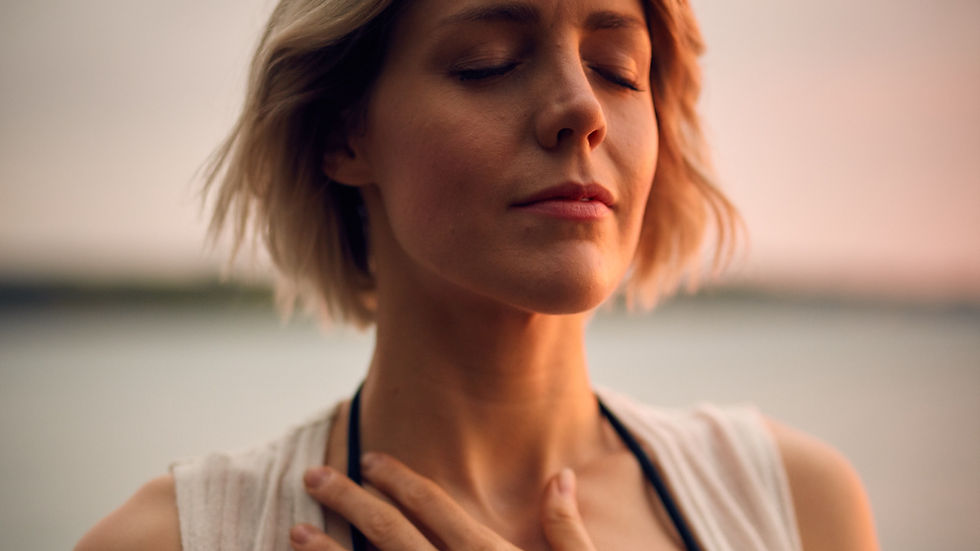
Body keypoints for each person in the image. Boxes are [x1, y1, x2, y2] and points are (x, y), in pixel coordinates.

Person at [76, 0, 879, 549]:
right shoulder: (173, 539)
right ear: (343, 134)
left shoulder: (796, 506)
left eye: (617, 66)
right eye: (487, 62)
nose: (581, 107)